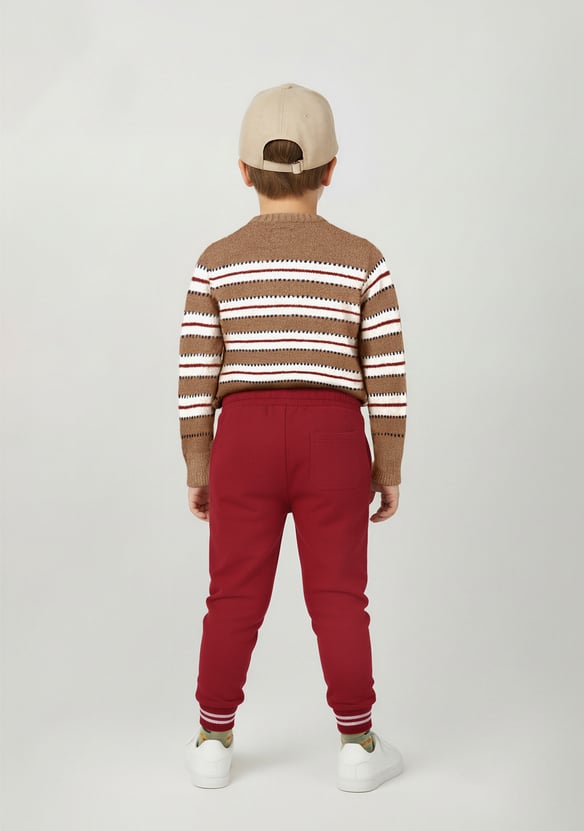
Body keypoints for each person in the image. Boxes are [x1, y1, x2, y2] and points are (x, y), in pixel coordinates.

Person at [178, 83, 407, 792]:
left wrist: (198, 464)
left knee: (232, 596)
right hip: (333, 438)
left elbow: (195, 370)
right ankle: (358, 745)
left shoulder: (216, 261)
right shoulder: (363, 260)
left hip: (242, 440)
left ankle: (212, 740)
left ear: (243, 170)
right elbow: (387, 371)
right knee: (338, 595)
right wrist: (388, 466)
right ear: (331, 169)